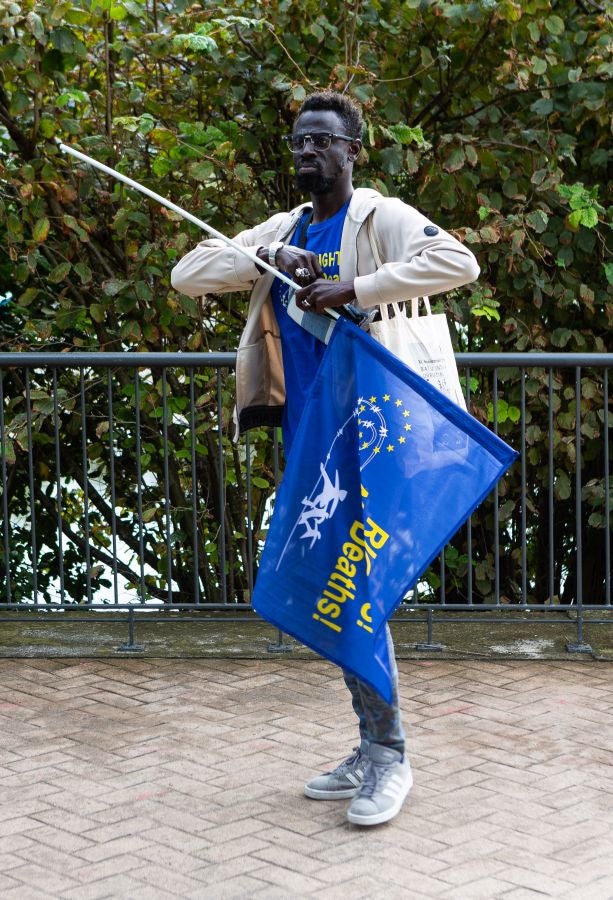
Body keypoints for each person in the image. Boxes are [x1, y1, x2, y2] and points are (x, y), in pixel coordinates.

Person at [171, 90, 480, 826]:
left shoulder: (380, 216)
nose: (307, 152)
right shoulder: (286, 225)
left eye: (322, 141)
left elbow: (456, 261)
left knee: (356, 588)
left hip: (373, 435)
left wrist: (356, 287)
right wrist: (267, 255)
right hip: (310, 440)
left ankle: (389, 755)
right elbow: (189, 273)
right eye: (298, 141)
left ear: (352, 150)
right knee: (330, 586)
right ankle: (371, 746)